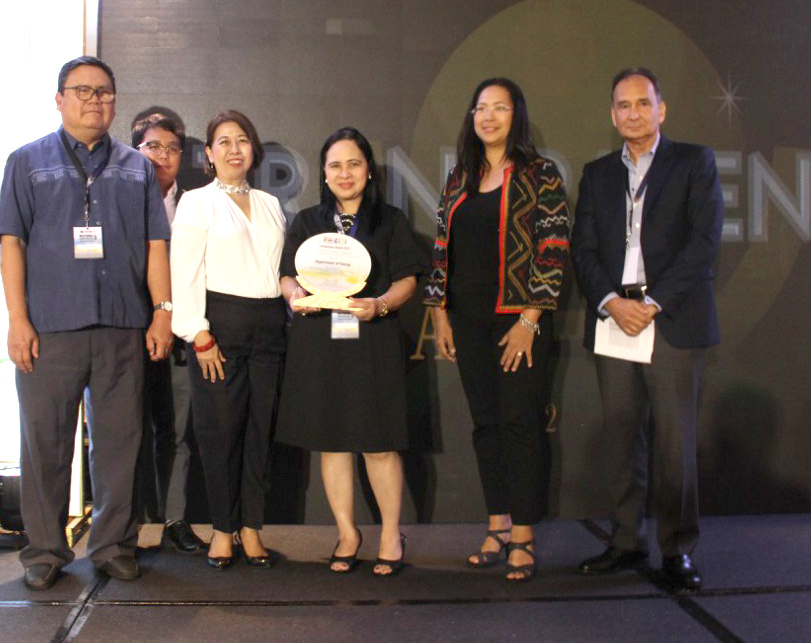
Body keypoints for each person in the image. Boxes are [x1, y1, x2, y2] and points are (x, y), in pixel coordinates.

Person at [0, 56, 173, 590]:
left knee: (121, 443)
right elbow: (11, 243)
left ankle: (113, 545)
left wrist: (162, 313)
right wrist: (17, 320)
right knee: (45, 444)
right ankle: (45, 551)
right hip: (49, 327)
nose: (95, 101)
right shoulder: (26, 162)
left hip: (122, 325)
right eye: (83, 91)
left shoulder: (137, 167)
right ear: (59, 99)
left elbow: (155, 244)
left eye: (104, 93)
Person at [571, 68, 724, 591]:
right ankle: (625, 542)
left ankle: (677, 549)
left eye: (643, 103)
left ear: (662, 109)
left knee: (675, 444)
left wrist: (651, 303)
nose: (632, 113)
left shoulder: (694, 162)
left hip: (671, 318)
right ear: (612, 113)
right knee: (620, 439)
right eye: (622, 105)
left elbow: (704, 243)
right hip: (615, 318)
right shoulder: (596, 175)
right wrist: (613, 301)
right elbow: (583, 250)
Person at [423, 78, 570, 582]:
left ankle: (524, 533)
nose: (488, 116)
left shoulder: (540, 173)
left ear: (516, 115)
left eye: (499, 108)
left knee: (520, 423)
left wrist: (531, 318)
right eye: (480, 108)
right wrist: (439, 313)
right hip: (467, 320)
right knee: (485, 423)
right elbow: (441, 249)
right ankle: (498, 525)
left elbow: (553, 248)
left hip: (518, 321)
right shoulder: (459, 176)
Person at [276, 127, 426, 577]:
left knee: (379, 446)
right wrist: (292, 294)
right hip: (319, 342)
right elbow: (286, 275)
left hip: (373, 340)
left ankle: (389, 534)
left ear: (368, 171)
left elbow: (408, 281)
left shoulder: (391, 221)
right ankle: (346, 533)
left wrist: (379, 304)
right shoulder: (306, 222)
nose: (345, 173)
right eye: (335, 165)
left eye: (354, 164)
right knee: (332, 445)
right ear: (323, 173)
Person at [170, 110, 286, 569]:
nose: (234, 148)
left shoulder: (271, 204)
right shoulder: (197, 202)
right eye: (223, 141)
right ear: (210, 155)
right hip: (217, 327)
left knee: (260, 432)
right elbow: (185, 272)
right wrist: (198, 333)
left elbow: (281, 273)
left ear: (253, 150)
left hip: (270, 327)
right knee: (220, 432)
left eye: (242, 140)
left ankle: (252, 528)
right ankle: (222, 529)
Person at [132, 113, 203, 554]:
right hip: (125, 336)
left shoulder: (195, 206)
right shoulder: (118, 199)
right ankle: (132, 524)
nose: (163, 157)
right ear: (135, 151)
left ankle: (176, 519)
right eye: (153, 147)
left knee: (177, 433)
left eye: (172, 149)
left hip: (180, 337)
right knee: (128, 431)